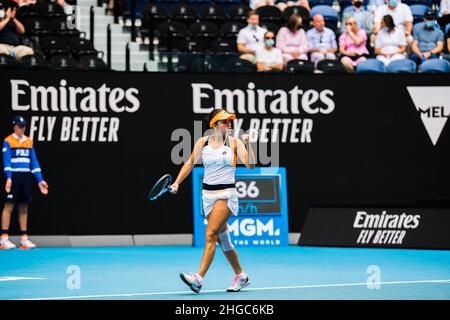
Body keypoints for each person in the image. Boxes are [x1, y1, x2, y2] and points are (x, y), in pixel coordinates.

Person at [173, 109, 255, 293]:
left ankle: (198, 279)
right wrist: (177, 183)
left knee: (210, 234)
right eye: (225, 121)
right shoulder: (202, 143)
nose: (229, 124)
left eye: (229, 121)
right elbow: (189, 163)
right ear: (214, 124)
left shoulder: (235, 143)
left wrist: (249, 145)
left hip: (226, 195)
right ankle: (242, 276)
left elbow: (251, 165)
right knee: (224, 241)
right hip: (208, 197)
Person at [1, 116, 49, 250]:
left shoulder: (29, 141)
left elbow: (34, 162)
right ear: (14, 127)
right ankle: (4, 239)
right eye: (20, 126)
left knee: (23, 207)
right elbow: (7, 161)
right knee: (8, 206)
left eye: (24, 126)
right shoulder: (8, 141)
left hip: (26, 177)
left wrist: (40, 180)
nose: (22, 129)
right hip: (14, 177)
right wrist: (9, 177)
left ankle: (24, 240)